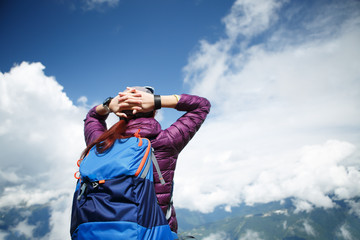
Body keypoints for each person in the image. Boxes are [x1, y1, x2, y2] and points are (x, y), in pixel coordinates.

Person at [83, 86, 211, 233]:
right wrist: (158, 100)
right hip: (153, 233)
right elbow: (202, 105)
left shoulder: (100, 144)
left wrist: (108, 105)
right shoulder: (166, 141)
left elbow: (92, 117)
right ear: (153, 109)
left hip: (100, 233)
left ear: (119, 111)